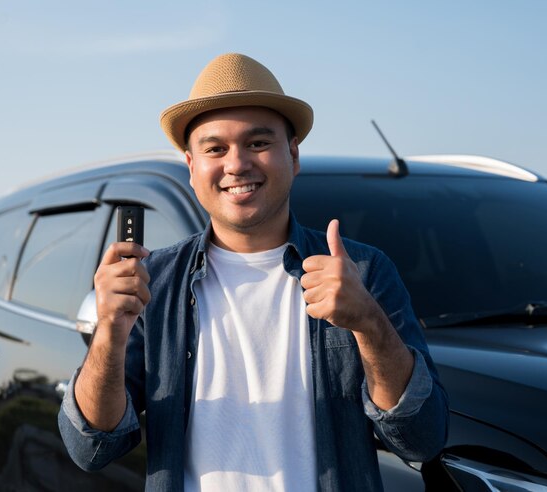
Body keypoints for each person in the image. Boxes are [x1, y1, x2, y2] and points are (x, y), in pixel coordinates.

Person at [59, 53, 448, 491]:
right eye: (215, 148)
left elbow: (422, 440)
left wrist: (369, 325)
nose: (237, 164)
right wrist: (110, 330)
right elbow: (91, 447)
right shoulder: (157, 281)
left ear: (293, 155)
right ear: (191, 167)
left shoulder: (362, 272)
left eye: (258, 143)